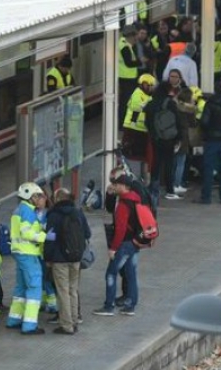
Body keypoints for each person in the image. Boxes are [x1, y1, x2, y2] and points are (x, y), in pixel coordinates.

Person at [93, 171, 141, 317]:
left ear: (124, 186)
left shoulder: (123, 205)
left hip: (124, 244)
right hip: (135, 242)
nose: (114, 186)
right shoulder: (136, 199)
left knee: (111, 273)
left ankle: (109, 306)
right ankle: (131, 305)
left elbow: (120, 229)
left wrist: (113, 248)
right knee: (131, 274)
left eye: (117, 184)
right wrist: (110, 194)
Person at [43, 188, 91, 335]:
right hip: (76, 258)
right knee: (73, 290)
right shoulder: (77, 212)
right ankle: (75, 321)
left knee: (62, 291)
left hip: (59, 259)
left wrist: (48, 258)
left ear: (57, 199)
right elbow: (87, 233)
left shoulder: (53, 215)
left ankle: (66, 325)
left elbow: (50, 239)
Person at [5, 182, 50, 335]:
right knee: (34, 287)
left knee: (21, 287)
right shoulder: (28, 211)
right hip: (29, 253)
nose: (40, 198)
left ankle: (14, 319)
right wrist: (45, 236)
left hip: (19, 253)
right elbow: (27, 233)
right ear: (30, 197)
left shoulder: (20, 209)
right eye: (38, 196)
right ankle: (30, 325)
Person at [144, 81, 183, 201]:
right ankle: (170, 190)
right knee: (169, 164)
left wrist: (154, 134)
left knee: (156, 162)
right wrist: (178, 137)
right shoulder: (170, 103)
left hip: (156, 138)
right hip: (169, 138)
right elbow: (177, 120)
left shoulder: (150, 103)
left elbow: (147, 122)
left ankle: (153, 188)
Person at [122, 73, 156, 168]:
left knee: (141, 156)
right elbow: (137, 106)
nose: (150, 88)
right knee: (132, 156)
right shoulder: (137, 93)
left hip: (141, 130)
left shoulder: (148, 96)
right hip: (133, 129)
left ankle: (141, 177)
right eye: (148, 85)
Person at [118, 25, 143, 125]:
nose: (136, 40)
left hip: (124, 77)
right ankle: (123, 123)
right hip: (127, 78)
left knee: (125, 101)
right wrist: (140, 62)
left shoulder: (121, 43)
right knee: (125, 102)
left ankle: (123, 122)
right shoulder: (125, 47)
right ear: (130, 36)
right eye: (135, 37)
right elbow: (129, 63)